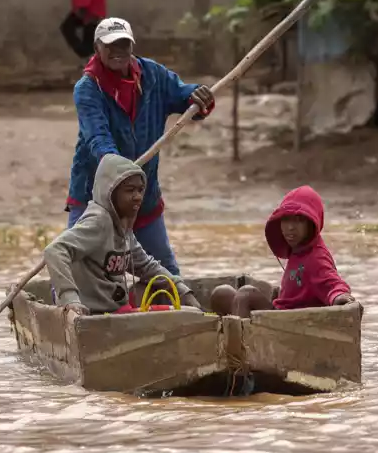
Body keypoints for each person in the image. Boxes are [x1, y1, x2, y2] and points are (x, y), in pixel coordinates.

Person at [67, 17, 215, 276]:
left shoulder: (153, 76)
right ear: (97, 48)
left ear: (132, 46)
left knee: (165, 274)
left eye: (123, 44)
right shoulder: (88, 89)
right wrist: (119, 170)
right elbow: (98, 139)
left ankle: (175, 314)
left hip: (141, 196)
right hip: (94, 197)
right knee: (75, 269)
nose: (118, 52)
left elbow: (183, 96)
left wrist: (197, 96)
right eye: (110, 46)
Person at [44, 154, 202, 315]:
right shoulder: (98, 221)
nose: (138, 197)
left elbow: (146, 266)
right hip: (93, 314)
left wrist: (182, 290)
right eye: (130, 190)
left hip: (115, 308)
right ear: (110, 193)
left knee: (156, 286)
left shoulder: (122, 225)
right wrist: (70, 299)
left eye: (140, 190)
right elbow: (55, 251)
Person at [210, 185, 356, 316]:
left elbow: (332, 283)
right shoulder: (297, 249)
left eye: (299, 220)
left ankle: (241, 343)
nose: (290, 227)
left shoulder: (316, 257)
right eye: (286, 220)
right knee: (221, 293)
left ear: (312, 224)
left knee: (246, 294)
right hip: (280, 311)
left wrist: (338, 296)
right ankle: (228, 336)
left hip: (290, 320)